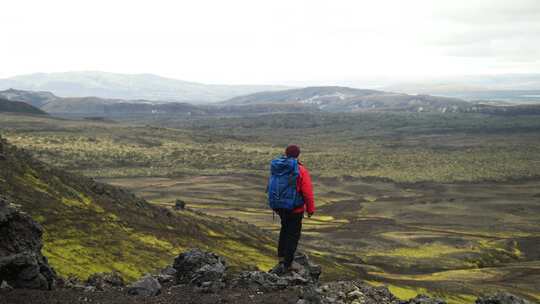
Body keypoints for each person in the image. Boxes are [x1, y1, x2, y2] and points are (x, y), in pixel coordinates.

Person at [268, 144, 315, 273]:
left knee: (284, 230)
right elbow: (307, 192)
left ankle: (282, 258)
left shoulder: (278, 166)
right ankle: (288, 264)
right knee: (293, 235)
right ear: (298, 154)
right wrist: (310, 209)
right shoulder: (300, 170)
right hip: (295, 208)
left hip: (279, 207)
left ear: (286, 153)